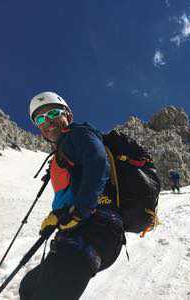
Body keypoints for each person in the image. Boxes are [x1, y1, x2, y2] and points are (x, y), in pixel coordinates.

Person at [19, 91, 125, 300]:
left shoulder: (79, 133)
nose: (47, 122)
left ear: (68, 115)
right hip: (79, 231)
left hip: (96, 228)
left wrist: (81, 209)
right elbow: (73, 190)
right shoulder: (64, 150)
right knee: (29, 287)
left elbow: (97, 162)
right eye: (40, 119)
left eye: (53, 114)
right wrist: (57, 216)